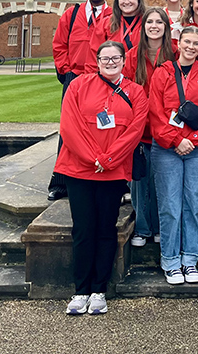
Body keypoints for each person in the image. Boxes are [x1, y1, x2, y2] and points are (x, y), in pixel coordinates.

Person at [55, 40, 148, 316]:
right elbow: (69, 125)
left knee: (106, 229)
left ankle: (99, 290)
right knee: (83, 229)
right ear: (97, 60)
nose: (110, 62)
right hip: (79, 169)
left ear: (123, 60)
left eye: (115, 58)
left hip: (113, 170)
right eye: (105, 58)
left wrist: (108, 159)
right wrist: (92, 157)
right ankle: (80, 289)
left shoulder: (136, 91)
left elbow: (134, 130)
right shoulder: (79, 85)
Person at [148, 27, 198, 284]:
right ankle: (170, 260)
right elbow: (155, 112)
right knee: (170, 206)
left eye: (196, 43)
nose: (191, 47)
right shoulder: (163, 73)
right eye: (187, 42)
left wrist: (193, 141)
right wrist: (175, 139)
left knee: (193, 205)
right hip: (167, 149)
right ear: (180, 44)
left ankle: (190, 259)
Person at [48, 0, 112, 201]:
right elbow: (59, 45)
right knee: (68, 129)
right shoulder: (72, 14)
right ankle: (60, 182)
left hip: (103, 78)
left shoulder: (112, 15)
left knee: (106, 128)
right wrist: (66, 71)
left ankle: (109, 178)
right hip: (75, 77)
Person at [123, 8, 176, 248]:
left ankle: (158, 228)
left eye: (159, 22)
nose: (154, 26)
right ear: (143, 26)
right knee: (139, 183)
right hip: (140, 130)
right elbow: (124, 92)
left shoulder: (175, 53)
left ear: (166, 26)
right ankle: (143, 228)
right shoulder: (133, 56)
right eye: (150, 22)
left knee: (161, 184)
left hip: (166, 130)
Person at [86, 0, 147, 70]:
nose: (126, 2)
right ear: (117, 1)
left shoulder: (149, 23)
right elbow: (93, 57)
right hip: (113, 78)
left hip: (143, 77)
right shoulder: (105, 24)